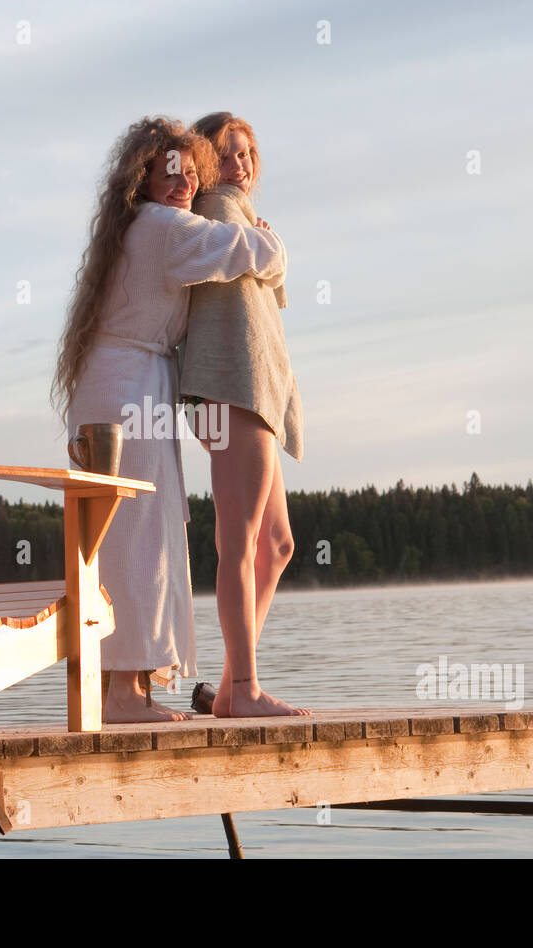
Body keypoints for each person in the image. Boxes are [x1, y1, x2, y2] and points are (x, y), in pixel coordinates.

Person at [51, 116, 288, 724]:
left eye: (191, 170)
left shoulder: (135, 228)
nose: (184, 181)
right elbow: (242, 250)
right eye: (170, 169)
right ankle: (128, 696)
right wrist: (272, 241)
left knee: (126, 535)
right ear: (146, 176)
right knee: (141, 536)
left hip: (114, 389)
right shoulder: (162, 227)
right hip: (130, 393)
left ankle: (122, 690)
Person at [180, 112, 310, 717]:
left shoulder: (234, 214)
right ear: (207, 162)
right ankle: (244, 692)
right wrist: (272, 243)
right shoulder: (216, 210)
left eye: (247, 152)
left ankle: (233, 685)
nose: (240, 164)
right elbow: (263, 261)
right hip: (232, 390)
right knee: (240, 540)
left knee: (277, 544)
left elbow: (266, 275)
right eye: (227, 153)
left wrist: (268, 245)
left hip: (247, 392)